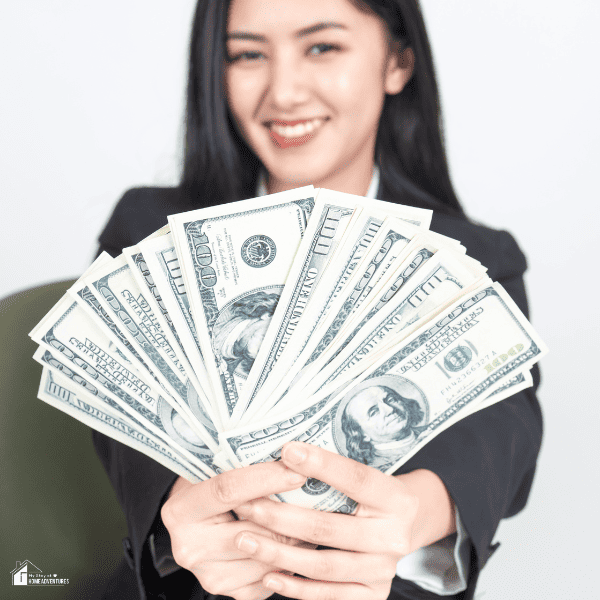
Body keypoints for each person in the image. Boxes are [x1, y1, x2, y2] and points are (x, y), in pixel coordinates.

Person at [94, 1, 542, 599]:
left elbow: (499, 433)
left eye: (321, 47)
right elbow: (128, 424)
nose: (282, 93)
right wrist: (180, 509)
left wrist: (421, 509)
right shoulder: (150, 233)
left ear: (398, 61)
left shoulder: (476, 261)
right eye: (247, 54)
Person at [341, 384, 427, 467]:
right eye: (374, 412)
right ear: (362, 435)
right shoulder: (373, 468)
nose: (390, 409)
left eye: (390, 400)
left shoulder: (430, 430)